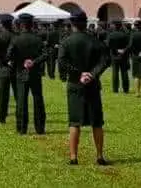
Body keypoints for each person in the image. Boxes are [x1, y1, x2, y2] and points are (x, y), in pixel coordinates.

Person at [57, 11, 109, 166]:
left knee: (74, 122)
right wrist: (91, 74)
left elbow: (62, 62)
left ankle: (73, 156)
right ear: (85, 24)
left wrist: (79, 73)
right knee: (97, 122)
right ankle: (99, 155)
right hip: (92, 84)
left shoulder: (66, 42)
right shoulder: (95, 41)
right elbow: (105, 61)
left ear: (72, 25)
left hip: (74, 84)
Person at [6, 14, 46, 135]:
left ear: (21, 25)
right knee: (38, 99)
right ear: (31, 24)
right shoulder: (37, 39)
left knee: (22, 101)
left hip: (21, 72)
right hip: (35, 73)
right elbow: (45, 54)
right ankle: (40, 128)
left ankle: (22, 127)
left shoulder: (16, 39)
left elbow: (9, 55)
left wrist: (19, 61)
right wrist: (33, 62)